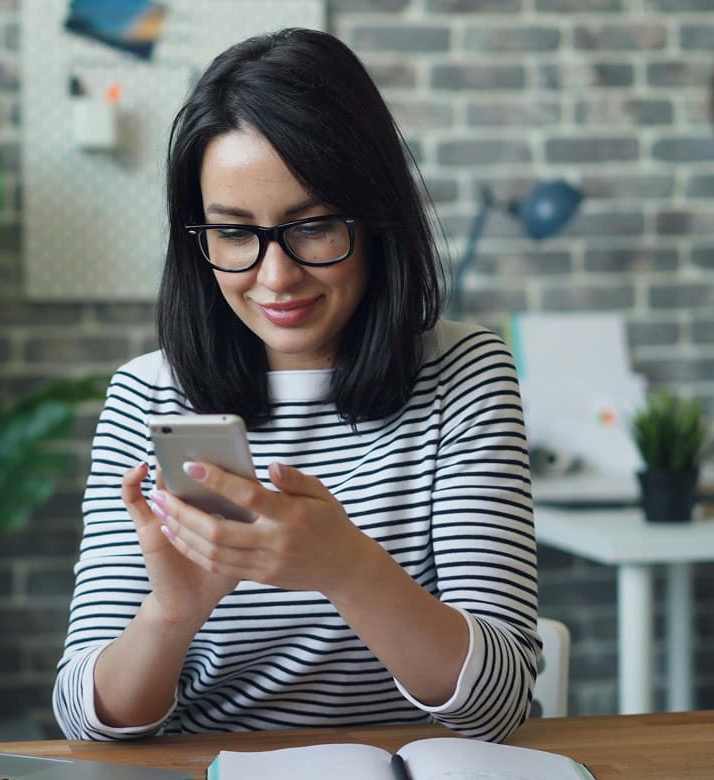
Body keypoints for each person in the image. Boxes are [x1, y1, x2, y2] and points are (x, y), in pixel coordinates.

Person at [53, 27, 539, 742]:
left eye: (312, 228)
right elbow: (83, 722)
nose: (275, 277)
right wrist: (172, 613)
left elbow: (499, 706)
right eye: (234, 233)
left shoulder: (463, 375)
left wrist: (348, 569)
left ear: (377, 220)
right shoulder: (148, 394)